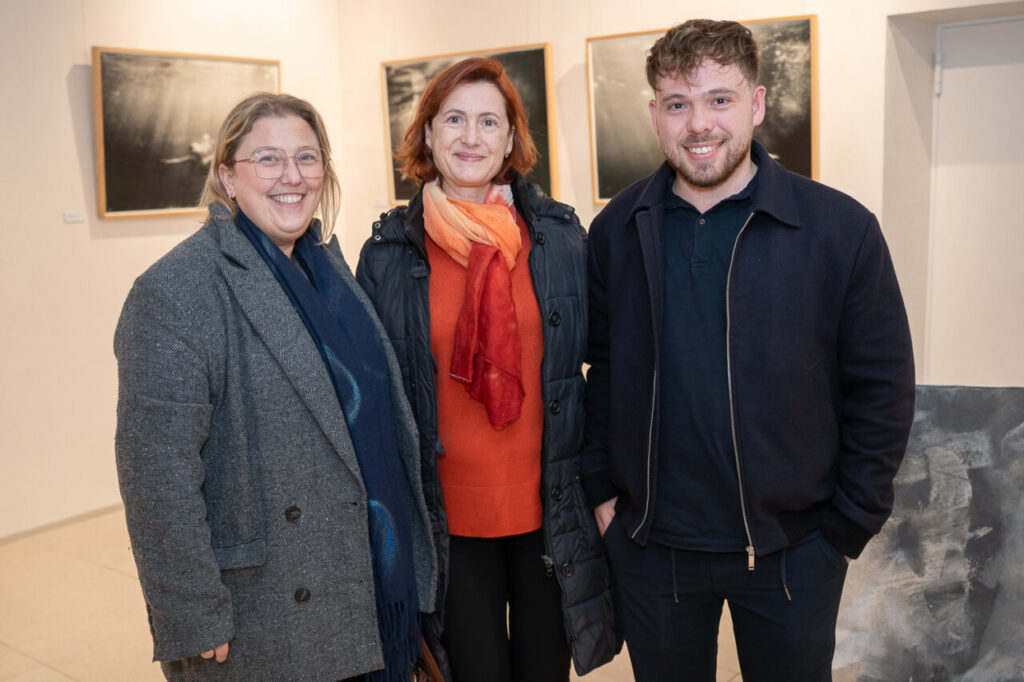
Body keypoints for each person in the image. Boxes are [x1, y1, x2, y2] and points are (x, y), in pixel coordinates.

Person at [581, 19, 916, 682]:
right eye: (678, 104)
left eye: (720, 99)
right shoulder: (618, 228)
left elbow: (883, 385)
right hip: (653, 549)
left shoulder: (839, 229)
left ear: (757, 103)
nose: (699, 124)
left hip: (794, 551)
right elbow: (600, 369)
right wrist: (602, 494)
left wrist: (848, 525)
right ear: (655, 115)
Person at [114, 92, 436, 681]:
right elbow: (157, 478)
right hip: (263, 606)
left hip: (360, 577)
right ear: (227, 178)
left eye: (307, 158)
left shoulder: (329, 270)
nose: (292, 176)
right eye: (267, 158)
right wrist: (193, 614)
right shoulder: (177, 291)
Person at [356, 57, 618, 682]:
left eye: (488, 122)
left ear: (510, 139)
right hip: (448, 519)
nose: (471, 137)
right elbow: (370, 398)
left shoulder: (559, 238)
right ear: (427, 134)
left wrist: (607, 485)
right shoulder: (388, 253)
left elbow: (604, 365)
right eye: (454, 119)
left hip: (548, 511)